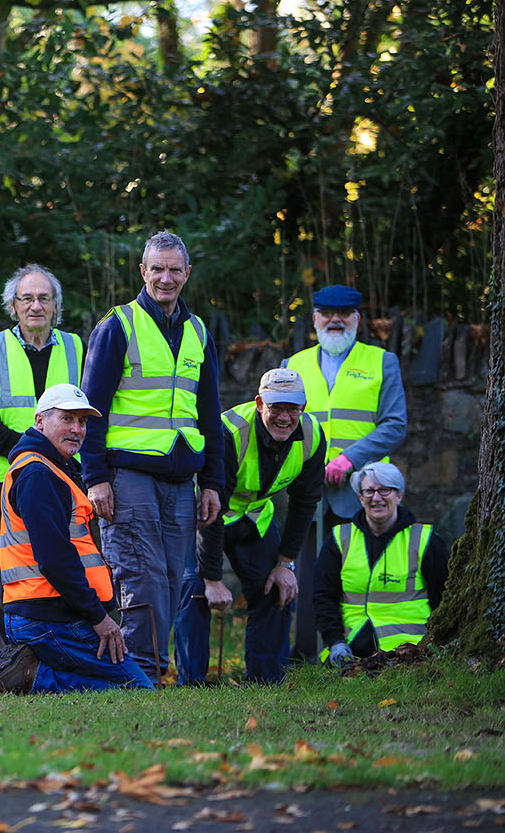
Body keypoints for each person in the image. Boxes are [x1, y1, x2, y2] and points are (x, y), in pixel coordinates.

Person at [80, 231, 225, 683]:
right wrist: (95, 477)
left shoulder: (199, 331)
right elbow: (91, 409)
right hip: (128, 476)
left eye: (174, 269)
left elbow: (210, 413)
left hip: (183, 479)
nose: (166, 278)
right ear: (142, 272)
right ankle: (138, 673)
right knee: (138, 578)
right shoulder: (118, 326)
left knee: (172, 581)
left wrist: (215, 484)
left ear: (187, 274)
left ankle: (155, 671)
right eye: (157, 269)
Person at [0, 384, 151, 694]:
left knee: (130, 684)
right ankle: (33, 677)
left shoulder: (54, 468)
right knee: (137, 690)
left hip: (48, 612)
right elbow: (55, 559)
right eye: (67, 419)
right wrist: (98, 617)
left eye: (82, 422)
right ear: (40, 421)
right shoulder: (39, 474)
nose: (77, 429)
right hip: (48, 616)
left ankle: (39, 667)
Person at [174, 368, 325, 685]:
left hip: (255, 516)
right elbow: (213, 502)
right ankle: (192, 682)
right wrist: (213, 579)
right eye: (276, 408)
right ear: (259, 403)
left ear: (303, 407)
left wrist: (285, 563)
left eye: (292, 409)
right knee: (195, 588)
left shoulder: (312, 436)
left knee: (278, 588)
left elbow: (305, 502)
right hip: (208, 512)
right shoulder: (230, 432)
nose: (284, 418)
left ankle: (266, 679)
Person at [283, 284, 407, 660]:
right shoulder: (294, 365)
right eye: (326, 314)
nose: (335, 321)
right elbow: (283, 424)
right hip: (306, 486)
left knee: (355, 571)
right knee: (305, 573)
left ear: (357, 319)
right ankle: (306, 654)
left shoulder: (381, 362)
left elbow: (394, 424)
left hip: (362, 490)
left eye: (344, 315)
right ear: (315, 320)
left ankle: (361, 651)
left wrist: (348, 459)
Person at [0, 264, 83, 617]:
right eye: (27, 298)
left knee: (69, 567)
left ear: (55, 306)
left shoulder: (76, 347)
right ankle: (13, 661)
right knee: (11, 576)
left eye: (43, 298)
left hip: (66, 483)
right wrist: (33, 454)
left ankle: (62, 657)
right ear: (14, 306)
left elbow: (88, 414)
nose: (36, 306)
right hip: (5, 482)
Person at [313, 462, 448, 666]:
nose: (376, 497)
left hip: (411, 652)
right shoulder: (339, 538)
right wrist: (336, 642)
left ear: (399, 495)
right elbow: (323, 596)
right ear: (360, 498)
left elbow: (444, 598)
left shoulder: (426, 540)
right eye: (368, 491)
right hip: (351, 651)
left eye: (385, 490)